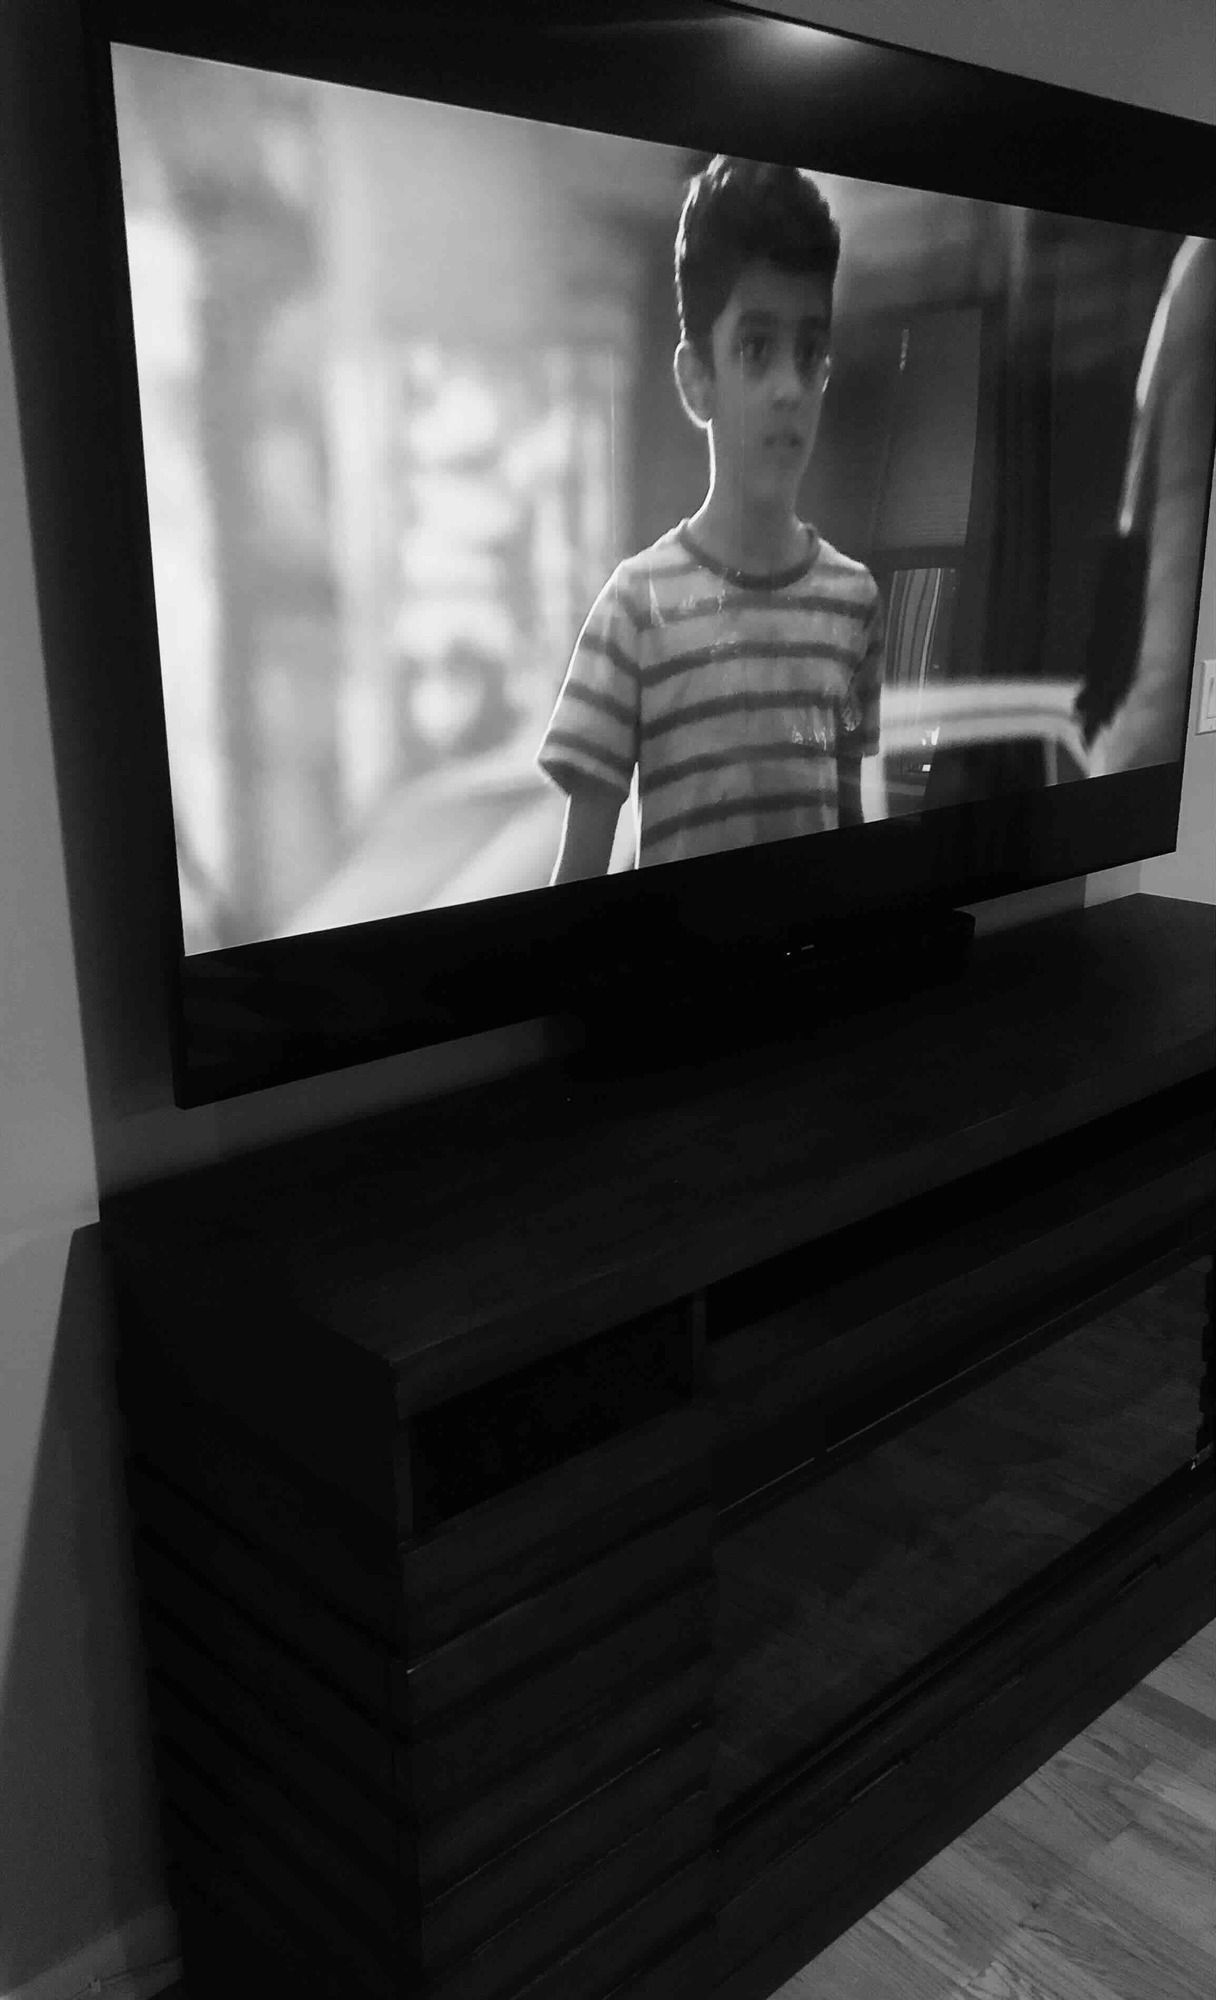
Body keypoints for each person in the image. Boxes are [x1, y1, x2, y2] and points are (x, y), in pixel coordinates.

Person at [537, 154, 884, 883]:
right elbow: (575, 889)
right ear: (697, 380)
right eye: (755, 350)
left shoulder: (853, 603)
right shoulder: (636, 608)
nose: (790, 387)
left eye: (810, 349)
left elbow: (849, 840)